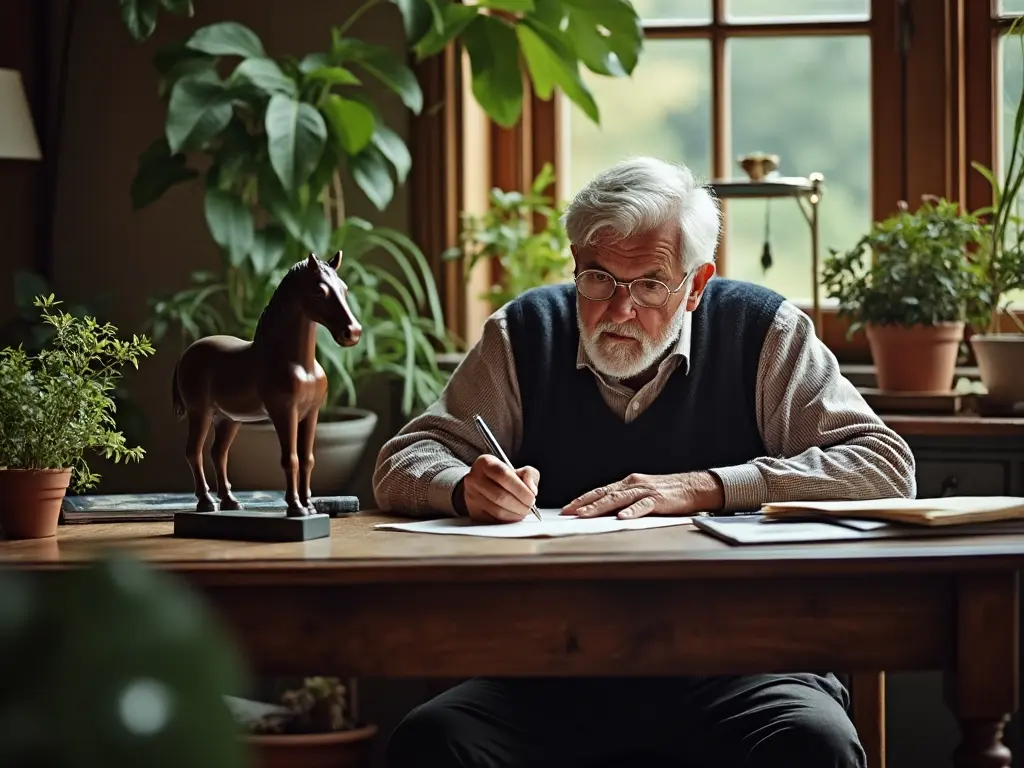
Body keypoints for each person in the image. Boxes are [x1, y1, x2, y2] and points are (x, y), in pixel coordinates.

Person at [372, 156, 916, 768]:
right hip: (551, 670)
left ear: (697, 284)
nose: (619, 309)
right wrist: (463, 489)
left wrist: (711, 486)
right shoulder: (526, 334)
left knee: (813, 745)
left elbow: (884, 464)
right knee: (432, 743)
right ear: (575, 263)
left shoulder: (762, 333)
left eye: (651, 284)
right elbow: (403, 460)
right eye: (599, 279)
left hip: (745, 663)